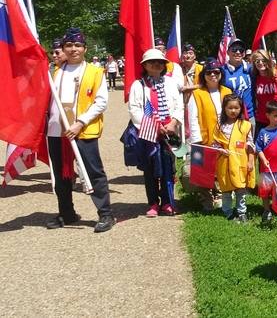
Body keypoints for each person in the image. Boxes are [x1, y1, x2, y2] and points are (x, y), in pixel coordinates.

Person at [45, 27, 115, 232]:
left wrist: (80, 122)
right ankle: (66, 213)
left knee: (94, 172)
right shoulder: (54, 72)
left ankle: (106, 215)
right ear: (63, 48)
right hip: (57, 131)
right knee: (61, 175)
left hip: (83, 131)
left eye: (77, 45)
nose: (73, 49)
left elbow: (101, 102)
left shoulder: (95, 71)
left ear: (84, 48)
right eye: (69, 45)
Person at [127, 49, 184, 217]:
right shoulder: (139, 85)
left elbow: (179, 105)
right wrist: (154, 126)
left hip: (170, 131)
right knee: (150, 168)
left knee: (169, 167)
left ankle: (167, 201)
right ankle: (153, 202)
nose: (156, 65)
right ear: (145, 65)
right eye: (152, 62)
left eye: (160, 62)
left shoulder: (171, 83)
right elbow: (134, 109)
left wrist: (173, 122)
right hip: (149, 132)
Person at [187, 60, 232, 211]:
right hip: (204, 138)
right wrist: (196, 139)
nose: (213, 75)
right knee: (202, 171)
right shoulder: (197, 94)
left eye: (216, 72)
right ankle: (206, 198)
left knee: (221, 168)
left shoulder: (227, 91)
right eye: (209, 72)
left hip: (224, 137)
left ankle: (220, 194)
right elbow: (193, 117)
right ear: (203, 75)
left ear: (221, 74)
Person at [213, 94, 256, 222]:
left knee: (240, 189)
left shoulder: (245, 125)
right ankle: (227, 211)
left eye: (236, 108)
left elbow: (250, 145)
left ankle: (241, 211)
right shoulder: (219, 126)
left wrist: (250, 161)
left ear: (241, 109)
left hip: (239, 162)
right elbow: (214, 143)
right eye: (230, 108)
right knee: (226, 190)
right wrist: (220, 149)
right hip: (224, 162)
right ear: (224, 109)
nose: (233, 111)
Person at [222, 39, 255, 123]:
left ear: (244, 53)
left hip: (250, 116)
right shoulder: (221, 71)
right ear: (227, 52)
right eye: (234, 49)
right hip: (230, 118)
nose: (237, 52)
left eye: (240, 50)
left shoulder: (251, 69)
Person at [252, 50, 277, 134]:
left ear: (268, 61)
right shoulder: (254, 78)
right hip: (262, 119)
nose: (260, 63)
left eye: (263, 60)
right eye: (257, 61)